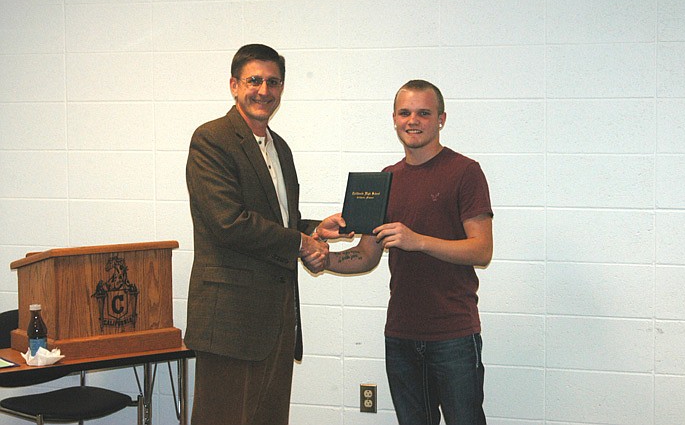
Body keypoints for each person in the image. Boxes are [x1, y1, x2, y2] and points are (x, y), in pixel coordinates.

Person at [185, 43, 345, 425]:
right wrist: (300, 243)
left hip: (276, 320)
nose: (264, 90)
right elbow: (229, 222)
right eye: (254, 80)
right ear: (234, 85)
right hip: (229, 322)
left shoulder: (280, 148)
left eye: (273, 82)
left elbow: (277, 220)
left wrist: (313, 229)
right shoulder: (212, 139)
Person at [319, 80, 494, 425]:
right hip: (400, 335)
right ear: (395, 119)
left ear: (441, 119)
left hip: (454, 335)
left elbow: (482, 249)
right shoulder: (384, 179)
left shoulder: (465, 172)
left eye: (423, 113)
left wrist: (419, 241)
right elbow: (366, 255)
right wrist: (320, 256)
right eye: (405, 112)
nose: (413, 120)